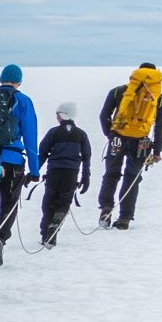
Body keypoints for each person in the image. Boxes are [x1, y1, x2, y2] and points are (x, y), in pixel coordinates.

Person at [0, 66, 41, 265]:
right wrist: (34, 169)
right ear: (18, 82)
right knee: (9, 202)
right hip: (12, 159)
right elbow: (30, 136)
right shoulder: (23, 100)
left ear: (1, 79)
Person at [98, 63, 162, 228]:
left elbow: (104, 115)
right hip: (141, 142)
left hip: (117, 139)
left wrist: (111, 134)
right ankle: (125, 218)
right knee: (132, 177)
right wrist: (156, 150)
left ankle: (106, 207)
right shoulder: (158, 97)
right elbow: (160, 125)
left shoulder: (118, 91)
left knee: (111, 174)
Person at [37, 101, 93, 246]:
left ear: (62, 115)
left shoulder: (53, 132)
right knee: (65, 201)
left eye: (57, 113)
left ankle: (45, 234)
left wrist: (34, 171)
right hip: (72, 173)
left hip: (54, 172)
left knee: (49, 200)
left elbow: (42, 153)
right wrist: (85, 177)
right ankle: (55, 225)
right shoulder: (81, 134)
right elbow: (86, 156)